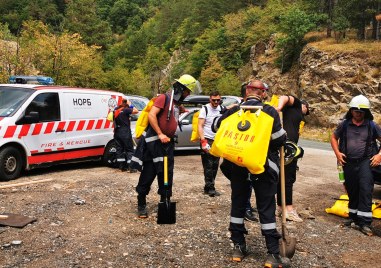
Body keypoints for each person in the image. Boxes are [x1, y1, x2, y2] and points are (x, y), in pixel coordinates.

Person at [216, 79, 289, 267]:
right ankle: (273, 253)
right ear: (263, 93)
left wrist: (229, 110)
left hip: (238, 167)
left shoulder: (234, 110)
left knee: (238, 203)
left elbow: (217, 126)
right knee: (266, 207)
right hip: (262, 167)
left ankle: (238, 247)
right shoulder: (269, 111)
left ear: (247, 91)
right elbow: (278, 139)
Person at [132, 74, 201, 218]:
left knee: (166, 173)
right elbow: (152, 115)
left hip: (167, 144)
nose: (188, 94)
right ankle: (141, 203)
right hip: (154, 143)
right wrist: (160, 133)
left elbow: (170, 117)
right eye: (187, 91)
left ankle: (165, 201)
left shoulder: (175, 104)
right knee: (149, 172)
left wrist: (181, 111)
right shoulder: (164, 98)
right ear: (181, 89)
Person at [330, 94, 381, 236]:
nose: (358, 113)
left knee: (365, 189)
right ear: (351, 110)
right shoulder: (345, 124)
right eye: (355, 111)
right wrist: (338, 154)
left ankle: (364, 223)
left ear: (366, 112)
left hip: (366, 162)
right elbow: (334, 137)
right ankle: (353, 217)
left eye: (361, 111)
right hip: (348, 162)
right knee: (351, 189)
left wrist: (379, 155)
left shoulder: (372, 125)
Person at [275, 95, 310, 222]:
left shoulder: (290, 113)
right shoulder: (296, 105)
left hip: (286, 147)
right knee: (288, 179)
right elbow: (285, 97)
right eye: (306, 110)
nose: (304, 114)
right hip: (287, 148)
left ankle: (280, 207)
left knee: (283, 179)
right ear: (304, 106)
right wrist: (278, 107)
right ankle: (288, 210)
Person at [198, 91, 223, 197]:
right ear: (210, 99)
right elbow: (200, 126)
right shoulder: (205, 109)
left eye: (218, 100)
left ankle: (208, 186)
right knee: (208, 165)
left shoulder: (221, 109)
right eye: (214, 100)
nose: (216, 102)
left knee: (215, 165)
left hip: (217, 141)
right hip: (207, 139)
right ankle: (210, 188)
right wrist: (203, 141)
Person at [113, 97, 139, 172]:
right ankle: (131, 167)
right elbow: (136, 111)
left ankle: (121, 166)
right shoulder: (126, 109)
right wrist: (131, 105)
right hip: (125, 131)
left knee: (119, 149)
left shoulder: (115, 110)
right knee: (129, 149)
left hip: (117, 131)